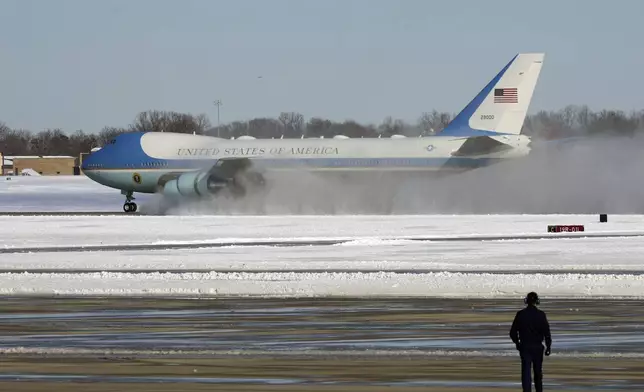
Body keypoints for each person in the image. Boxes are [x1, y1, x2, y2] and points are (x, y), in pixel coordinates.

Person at [509, 292, 552, 392]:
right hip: (537, 347)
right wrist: (548, 347)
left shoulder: (520, 314)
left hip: (525, 347)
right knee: (538, 372)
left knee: (526, 373)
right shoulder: (541, 315)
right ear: (537, 301)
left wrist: (517, 343)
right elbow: (547, 333)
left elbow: (512, 332)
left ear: (526, 301)